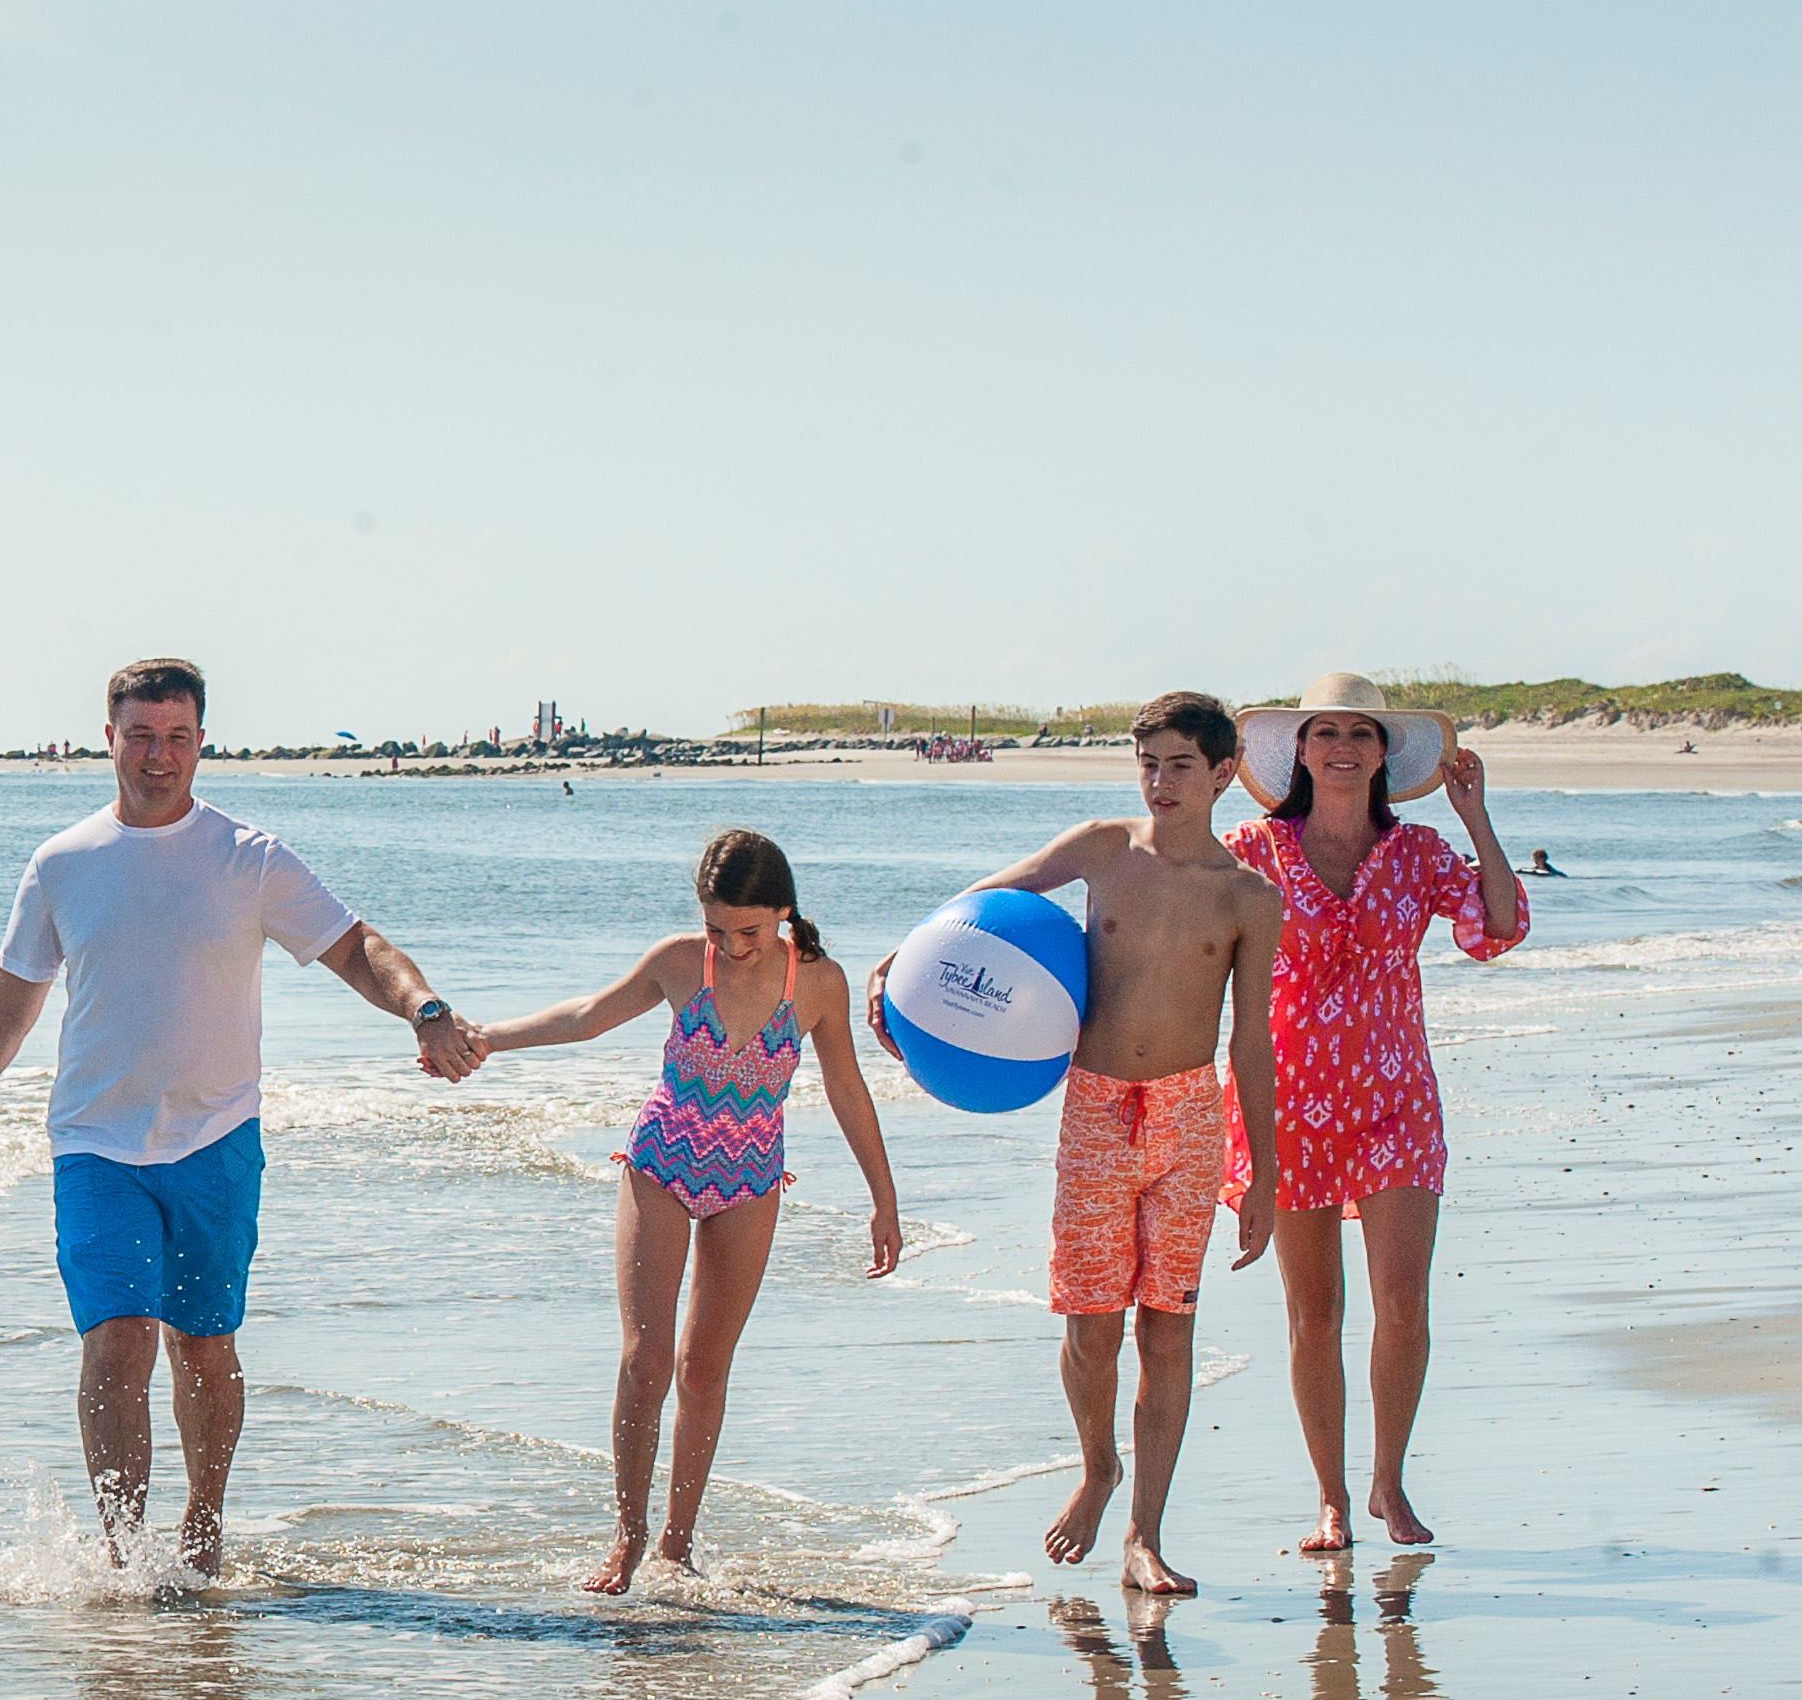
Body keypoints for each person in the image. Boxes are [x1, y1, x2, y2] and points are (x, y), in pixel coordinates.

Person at [0, 657, 485, 1575]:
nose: (157, 755)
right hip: (95, 1144)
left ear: (201, 743)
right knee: (119, 1336)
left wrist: (422, 1007)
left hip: (217, 1141)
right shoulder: (63, 864)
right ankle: (126, 1561)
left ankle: (204, 1528)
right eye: (140, 735)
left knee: (206, 1348)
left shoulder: (248, 859)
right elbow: (13, 996)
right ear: (108, 738)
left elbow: (357, 945)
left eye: (176, 736)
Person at [874, 691, 1281, 1595]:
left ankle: (1146, 1536)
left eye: (1181, 765)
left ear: (1222, 776)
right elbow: (982, 904)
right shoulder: (1103, 849)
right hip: (1097, 1112)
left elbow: (1251, 1040)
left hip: (1189, 1121)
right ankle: (1099, 1464)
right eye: (1149, 763)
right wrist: (897, 969)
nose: (1161, 781)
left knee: (1169, 1329)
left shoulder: (1249, 897)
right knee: (1092, 1329)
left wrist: (1267, 1176)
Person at [476, 830, 904, 1592]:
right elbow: (587, 1017)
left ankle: (676, 1544)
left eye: (750, 930)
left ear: (782, 912)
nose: (734, 946)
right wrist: (485, 1041)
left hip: (751, 1181)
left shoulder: (819, 984)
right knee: (646, 1360)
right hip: (662, 1165)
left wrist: (884, 1201)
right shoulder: (681, 962)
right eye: (718, 930)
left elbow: (847, 1091)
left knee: (703, 1370)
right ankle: (628, 1536)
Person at [1224, 676, 1527, 1551]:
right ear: (1302, 751)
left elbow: (1497, 930)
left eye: (1362, 732)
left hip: (1397, 1102)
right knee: (1313, 1313)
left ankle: (1388, 1483)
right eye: (1327, 732)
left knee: (1404, 1301)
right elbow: (1181, 931)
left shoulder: (1422, 854)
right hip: (1286, 1107)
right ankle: (1329, 1498)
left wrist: (1476, 820)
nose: (1345, 746)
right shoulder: (1254, 850)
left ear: (1385, 753)